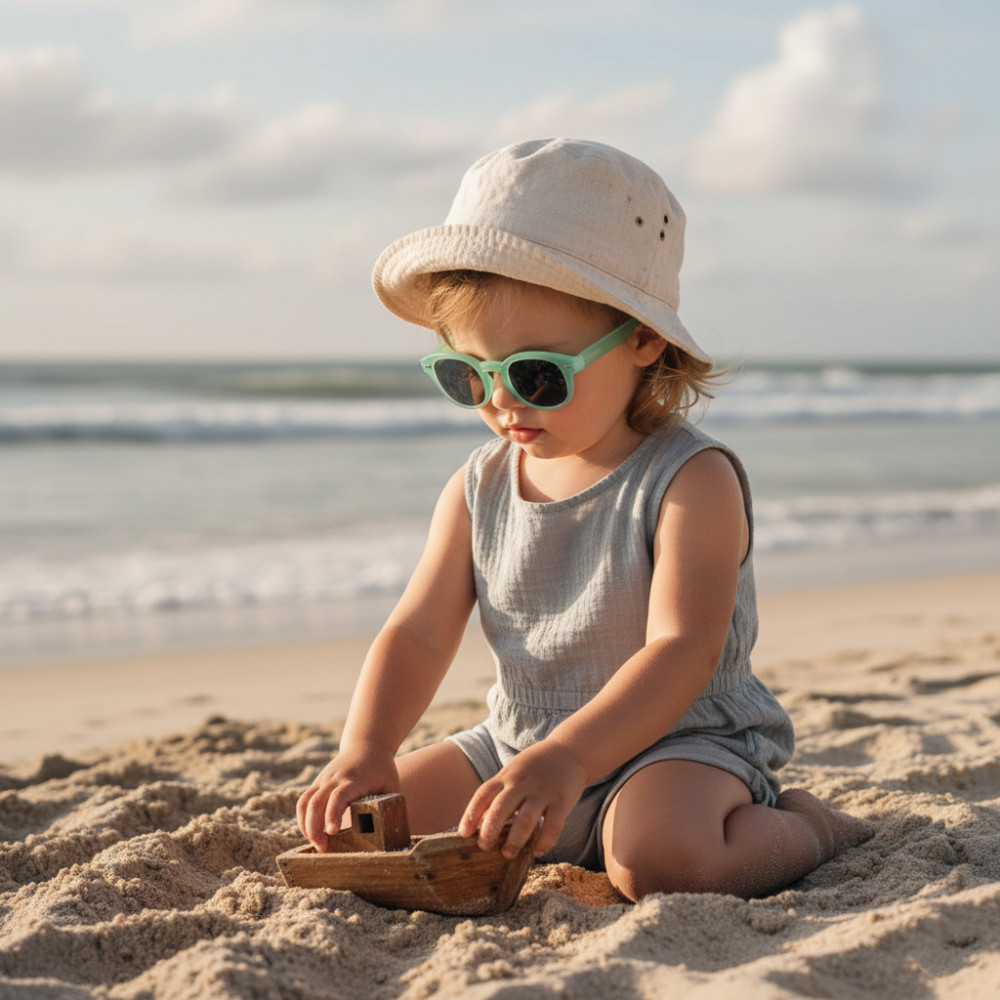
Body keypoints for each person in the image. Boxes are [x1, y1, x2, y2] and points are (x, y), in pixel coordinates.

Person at [297, 138, 872, 900]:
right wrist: (365, 747)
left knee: (661, 864)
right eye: (469, 374)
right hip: (519, 745)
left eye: (537, 374)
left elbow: (682, 650)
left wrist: (570, 760)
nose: (502, 402)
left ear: (642, 338)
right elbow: (419, 631)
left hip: (678, 746)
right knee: (357, 833)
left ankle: (812, 826)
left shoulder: (690, 481)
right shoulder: (479, 487)